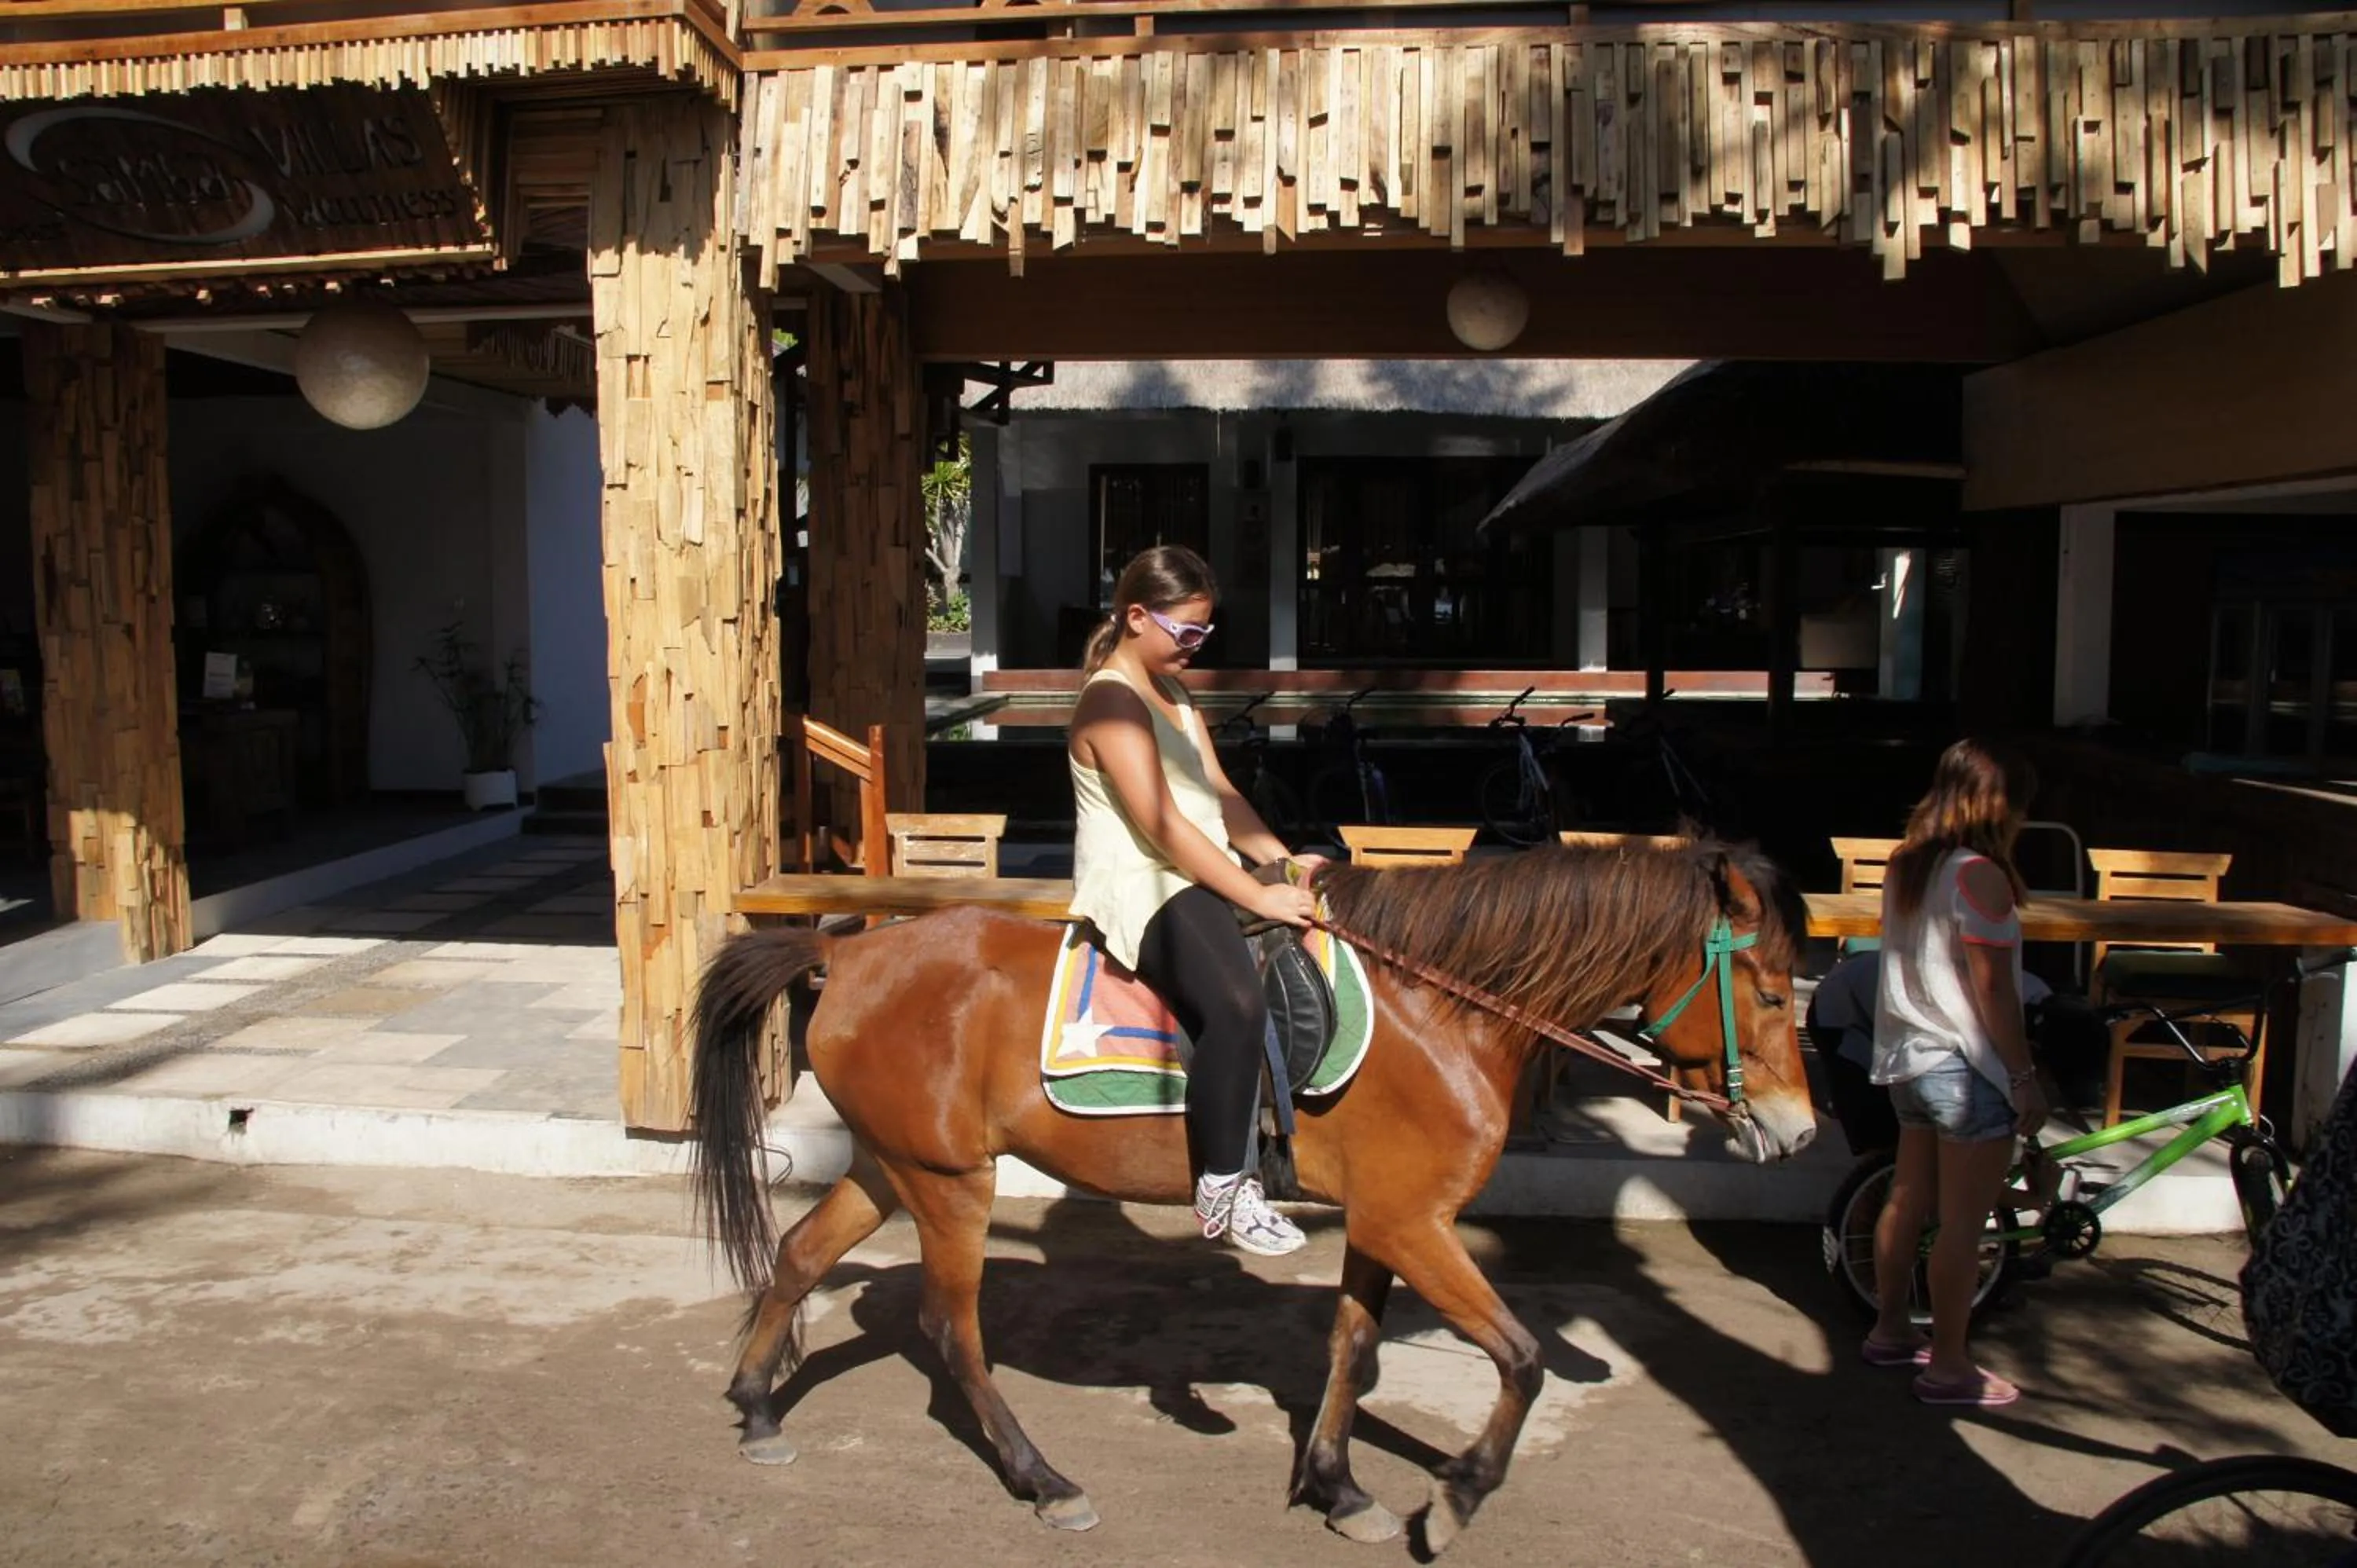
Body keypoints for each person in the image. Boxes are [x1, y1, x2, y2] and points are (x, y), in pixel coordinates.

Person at [1066, 545, 1320, 1256]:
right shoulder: (1111, 700)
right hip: (1144, 882)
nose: (1197, 645)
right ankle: (1224, 1183)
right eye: (1186, 631)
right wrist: (1258, 895)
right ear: (1136, 617)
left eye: (1206, 632)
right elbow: (1163, 825)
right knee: (1237, 1005)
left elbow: (1221, 797)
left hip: (1199, 869)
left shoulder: (1174, 697)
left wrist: (1282, 860)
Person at [1865, 738, 2047, 1408]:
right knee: (1963, 1225)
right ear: (2005, 805)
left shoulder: (1907, 864)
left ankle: (1890, 1329)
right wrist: (2023, 1076)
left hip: (1910, 1060)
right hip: (1966, 1069)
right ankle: (1948, 1366)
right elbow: (1993, 991)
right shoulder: (1980, 876)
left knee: (1906, 1199)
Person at [1810, 949, 2051, 1160]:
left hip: (1892, 999)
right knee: (1882, 1143)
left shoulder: (2037, 996)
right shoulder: (2003, 1012)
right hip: (1841, 1010)